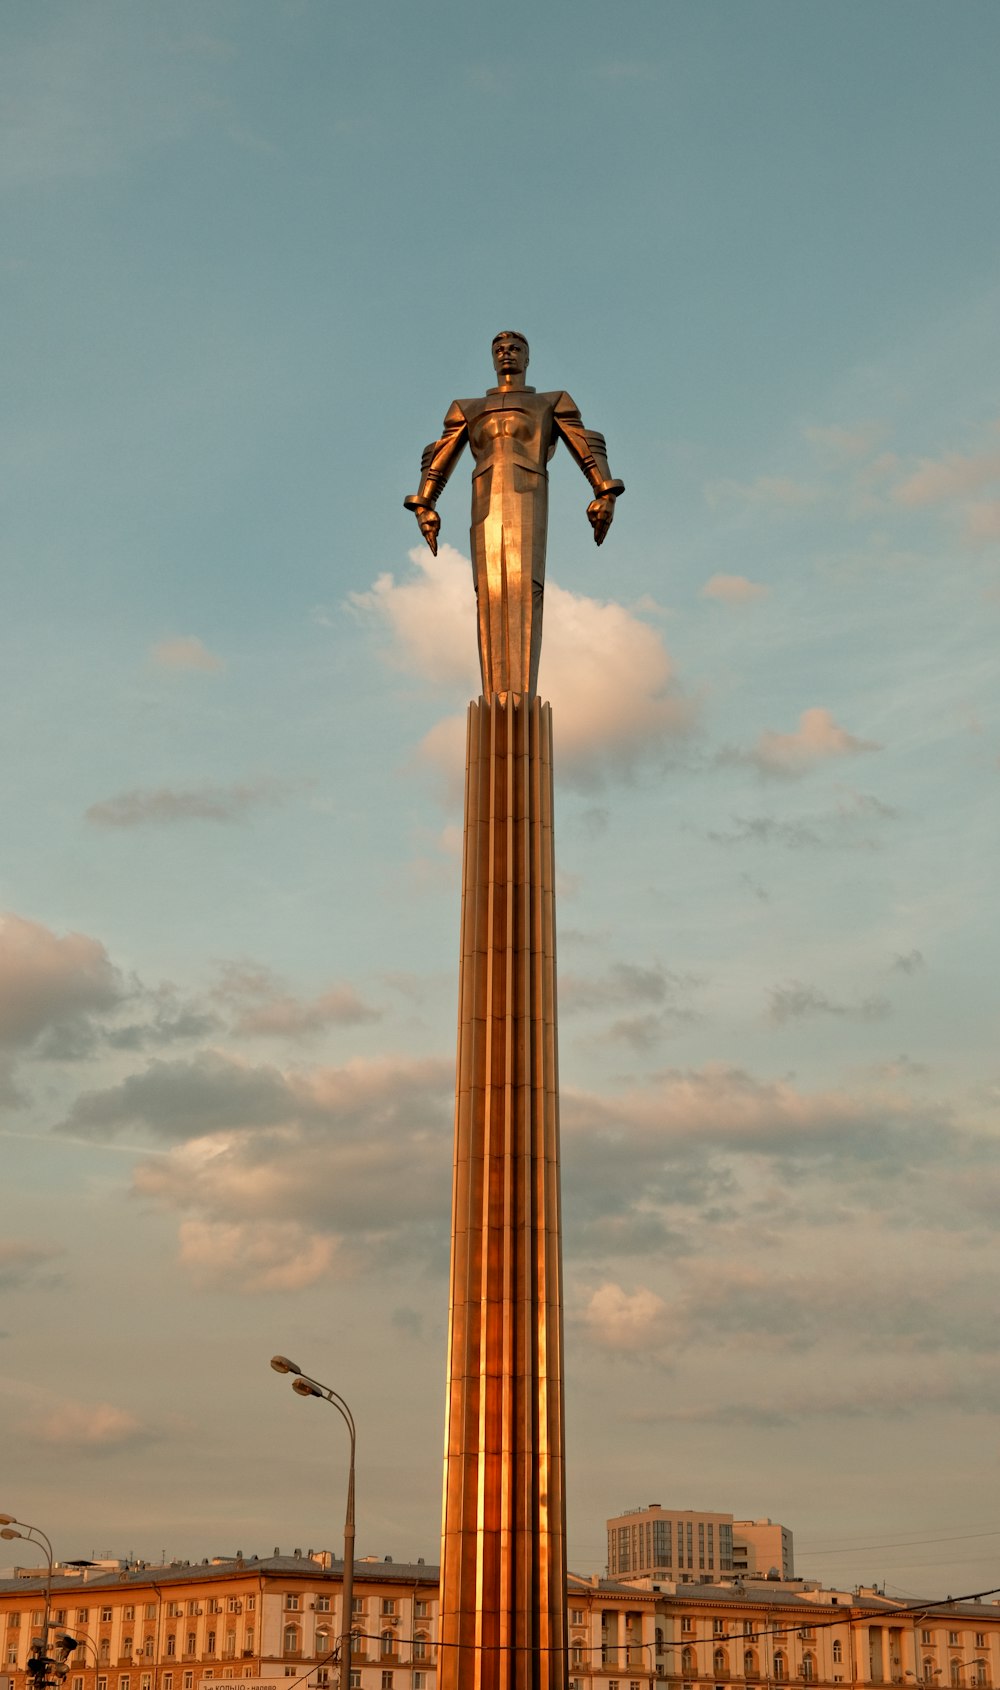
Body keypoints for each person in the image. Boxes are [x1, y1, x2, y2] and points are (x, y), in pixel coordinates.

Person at [405, 331, 624, 697]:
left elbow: (586, 443)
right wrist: (425, 502)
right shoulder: (467, 408)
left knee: (526, 586)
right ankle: (496, 698)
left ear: (527, 359)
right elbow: (439, 457)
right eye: (500, 350)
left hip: (529, 492)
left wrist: (605, 491)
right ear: (493, 360)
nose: (507, 354)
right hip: (484, 496)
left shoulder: (549, 403)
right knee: (488, 591)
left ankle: (520, 698)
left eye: (515, 349)